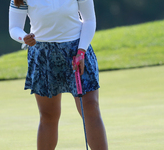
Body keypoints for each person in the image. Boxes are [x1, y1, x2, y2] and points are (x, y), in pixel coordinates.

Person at [9, 0, 108, 149]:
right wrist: (23, 37)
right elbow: (14, 27)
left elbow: (89, 20)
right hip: (43, 55)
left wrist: (81, 51)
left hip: (77, 51)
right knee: (48, 115)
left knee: (90, 107)